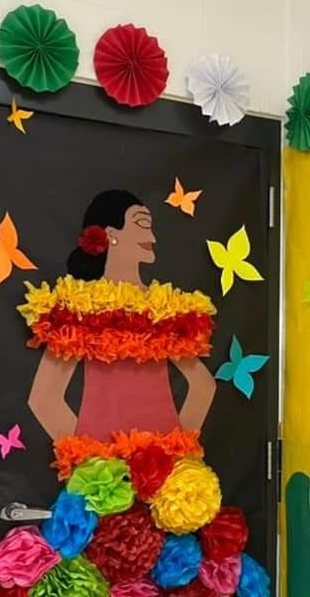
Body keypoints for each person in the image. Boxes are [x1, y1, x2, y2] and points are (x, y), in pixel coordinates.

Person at [24, 189, 216, 444]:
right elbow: (43, 398)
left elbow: (204, 385)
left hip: (165, 470)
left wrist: (174, 446)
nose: (152, 237)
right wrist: (91, 453)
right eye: (142, 224)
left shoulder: (164, 307)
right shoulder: (80, 306)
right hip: (104, 478)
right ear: (111, 234)